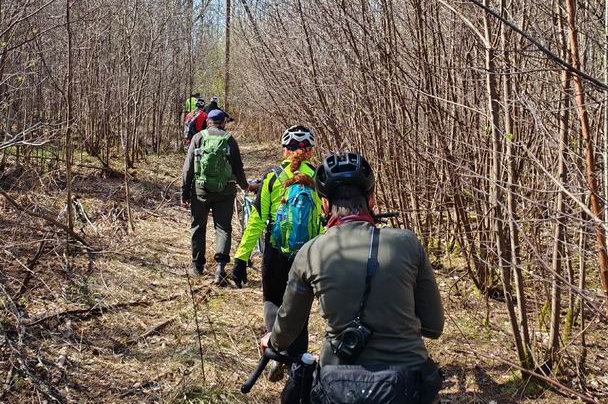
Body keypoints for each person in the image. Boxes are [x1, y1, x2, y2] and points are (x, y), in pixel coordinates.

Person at [260, 152, 445, 404]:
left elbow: (288, 327)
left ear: (325, 205)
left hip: (338, 384)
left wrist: (273, 339)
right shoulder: (407, 243)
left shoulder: (310, 252)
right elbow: (434, 327)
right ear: (372, 199)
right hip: (407, 383)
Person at [231, 125, 323, 400]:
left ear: (285, 150)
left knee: (272, 301)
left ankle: (274, 350)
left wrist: (241, 257)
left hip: (275, 253)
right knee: (300, 310)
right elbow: (323, 222)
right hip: (307, 254)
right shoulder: (319, 178)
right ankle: (297, 369)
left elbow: (257, 221)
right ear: (309, 151)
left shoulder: (272, 177)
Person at [181, 108, 250, 284]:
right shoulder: (229, 140)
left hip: (201, 190)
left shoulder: (198, 138)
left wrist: (185, 192)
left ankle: (197, 266)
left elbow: (188, 168)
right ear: (223, 123)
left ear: (207, 122)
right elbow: (238, 167)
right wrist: (245, 186)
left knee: (198, 226)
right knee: (223, 228)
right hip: (225, 191)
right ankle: (220, 267)